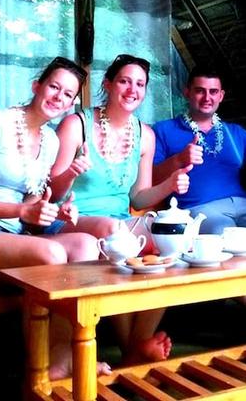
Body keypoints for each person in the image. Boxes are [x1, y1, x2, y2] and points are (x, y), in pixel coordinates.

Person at [0, 56, 109, 378]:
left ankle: (64, 353)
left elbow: (32, 201)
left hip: (13, 232)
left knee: (86, 245)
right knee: (51, 254)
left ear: (72, 103)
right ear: (36, 86)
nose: (59, 97)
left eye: (68, 94)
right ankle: (40, 363)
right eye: (54, 87)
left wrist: (54, 209)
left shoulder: (51, 140)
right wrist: (22, 211)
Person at [49, 54, 191, 365]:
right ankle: (133, 349)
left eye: (140, 84)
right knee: (115, 234)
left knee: (172, 237)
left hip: (120, 221)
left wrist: (169, 184)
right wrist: (72, 171)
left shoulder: (145, 135)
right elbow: (53, 193)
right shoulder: (76, 125)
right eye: (125, 81)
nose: (132, 90)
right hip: (68, 219)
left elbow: (138, 199)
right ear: (108, 84)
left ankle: (136, 343)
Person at [152, 64, 246, 338]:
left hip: (244, 203)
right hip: (198, 209)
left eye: (213, 92)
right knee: (228, 241)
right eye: (200, 91)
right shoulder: (164, 130)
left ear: (221, 95)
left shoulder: (234, 132)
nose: (207, 97)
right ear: (187, 92)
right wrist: (178, 160)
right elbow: (150, 178)